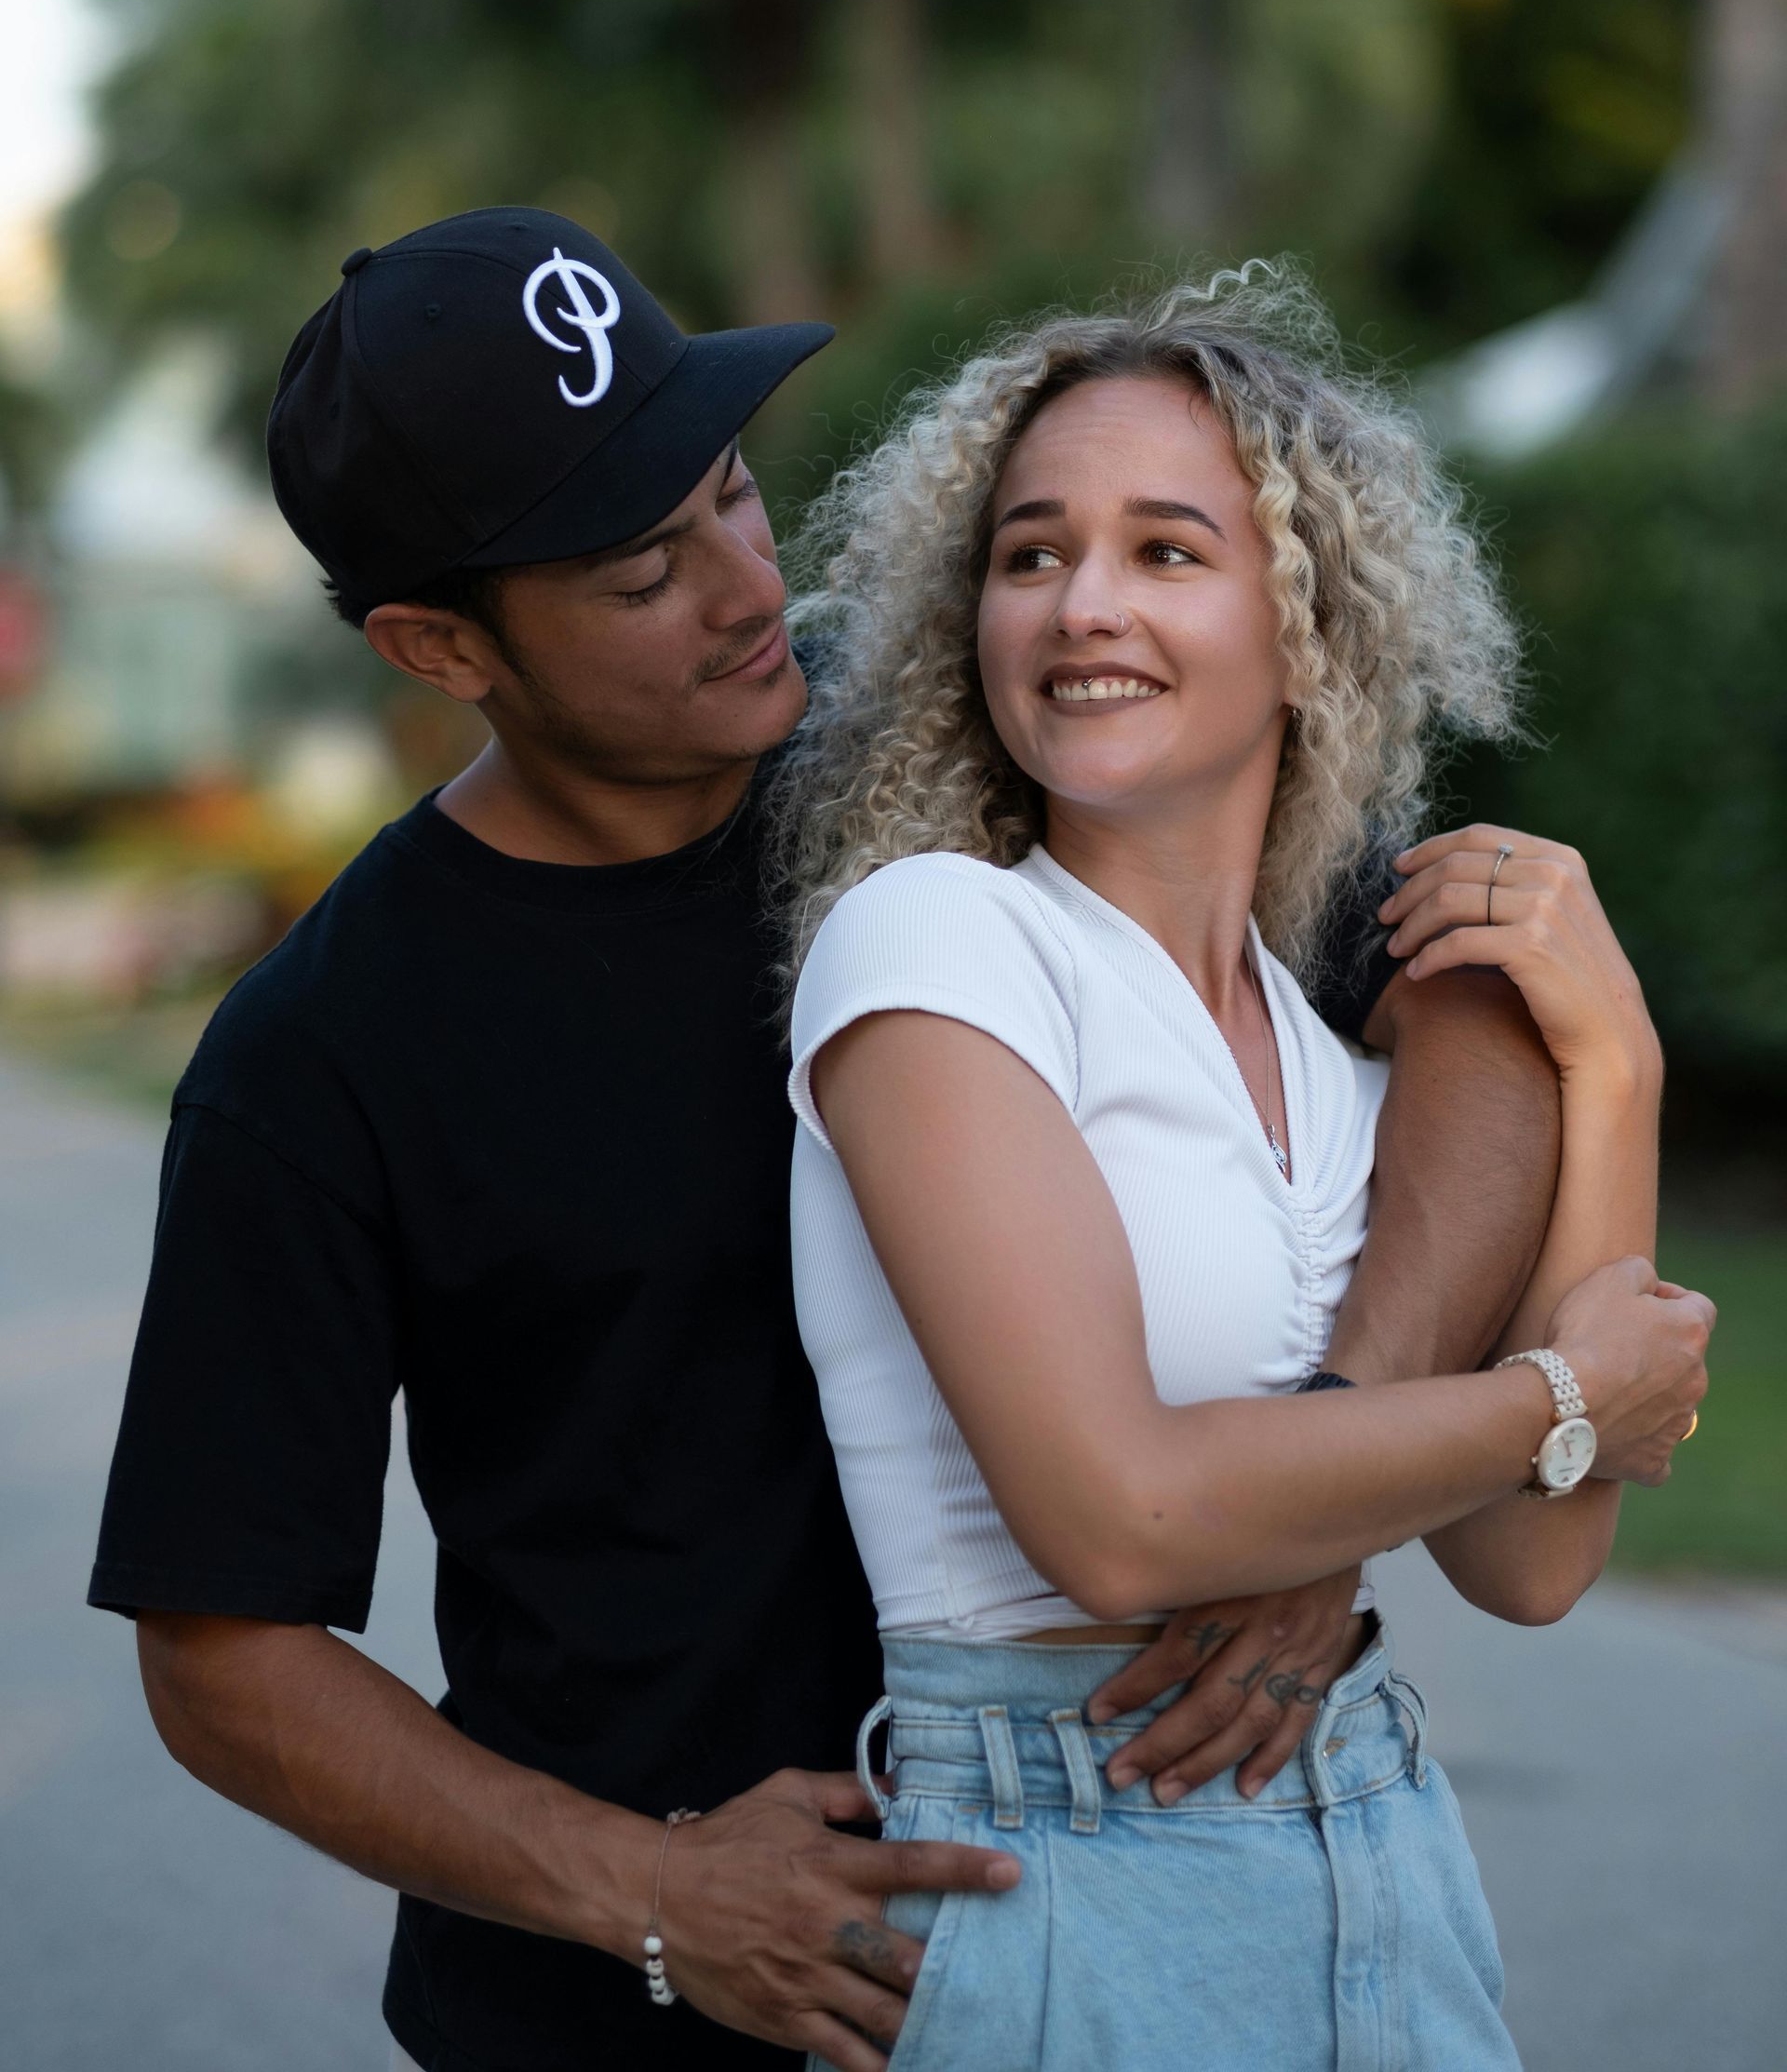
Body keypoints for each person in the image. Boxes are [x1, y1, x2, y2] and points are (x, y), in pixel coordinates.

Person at [92, 211, 1564, 2072]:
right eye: (642, 572)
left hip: (1124, 1907)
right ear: (435, 643)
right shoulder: (319, 1058)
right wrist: (646, 1890)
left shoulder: (971, 736)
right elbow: (223, 1657)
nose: (737, 584)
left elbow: (1475, 999)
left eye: (729, 492)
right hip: (641, 2014)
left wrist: (1338, 1458)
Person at [773, 269, 1713, 2070]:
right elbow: (1117, 1512)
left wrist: (1620, 1066)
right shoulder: (938, 947)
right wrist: (1565, 1394)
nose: (1083, 606)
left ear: (1310, 625)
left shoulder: (1335, 1066)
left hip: (1389, 1864)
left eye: (1168, 553)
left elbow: (1528, 1564)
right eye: (1032, 553)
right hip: (1059, 1876)